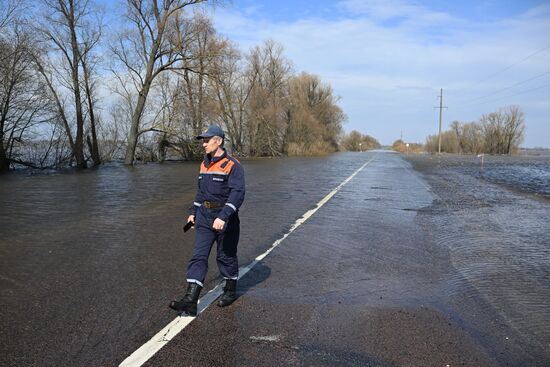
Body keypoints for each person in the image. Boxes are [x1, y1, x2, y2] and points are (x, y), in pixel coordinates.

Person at [169, 125, 245, 316]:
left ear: (218, 141)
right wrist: (193, 212)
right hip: (204, 216)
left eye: (206, 140)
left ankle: (229, 291)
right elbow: (201, 192)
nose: (203, 144)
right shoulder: (204, 164)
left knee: (225, 256)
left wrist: (223, 216)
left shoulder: (233, 165)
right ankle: (190, 301)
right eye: (202, 140)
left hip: (225, 219)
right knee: (198, 256)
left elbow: (238, 194)